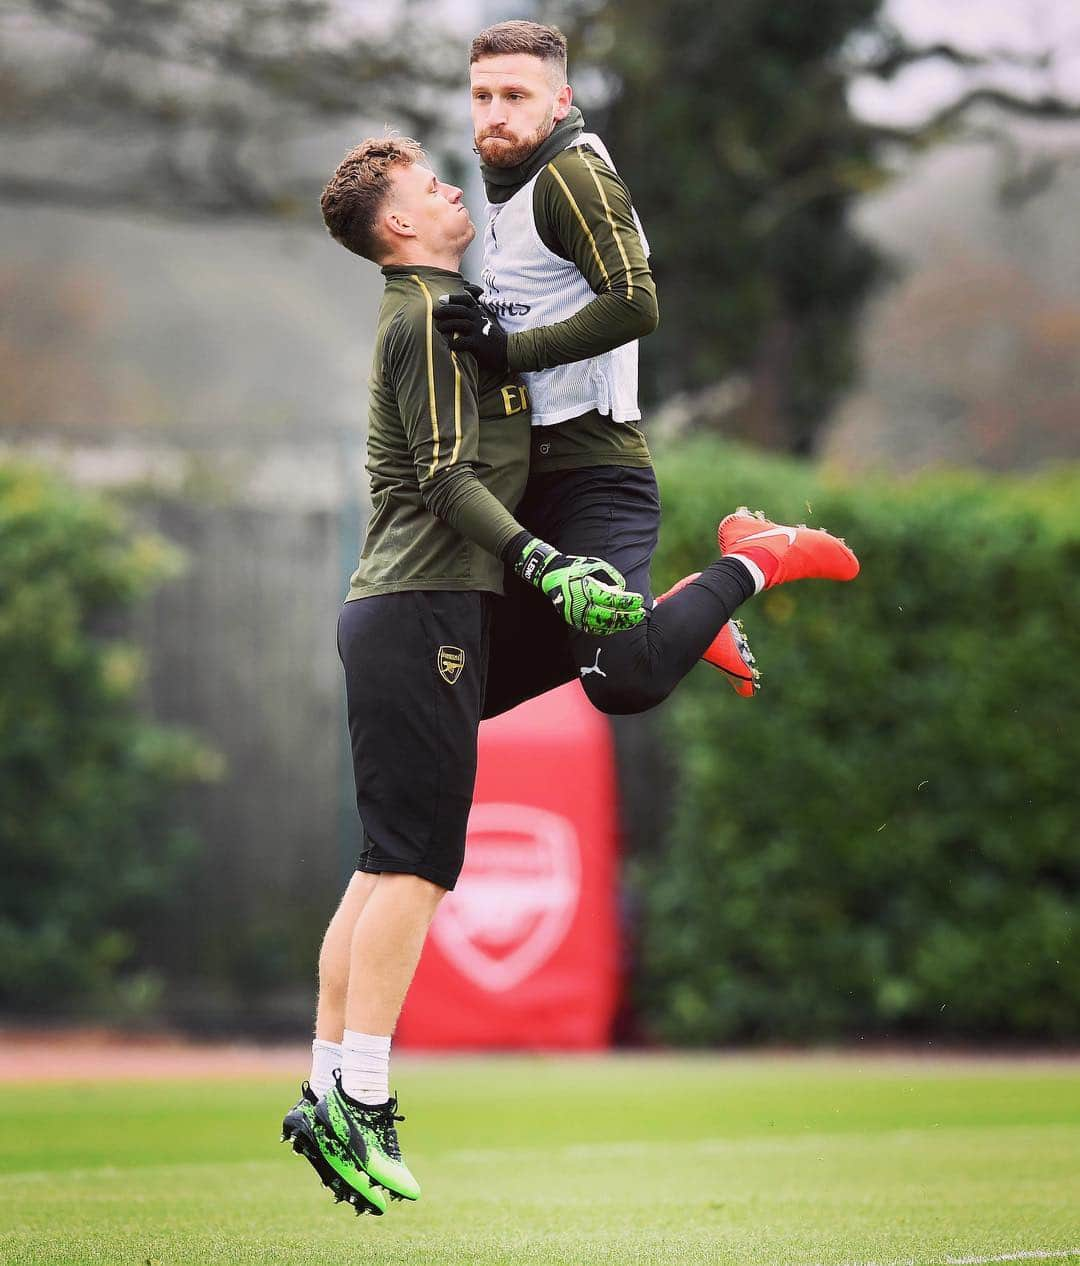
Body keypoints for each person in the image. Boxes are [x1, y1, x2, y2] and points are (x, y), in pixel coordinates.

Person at [279, 136, 646, 1217]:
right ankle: (365, 1098)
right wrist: (541, 557)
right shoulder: (428, 317)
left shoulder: (443, 311)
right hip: (420, 611)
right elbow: (444, 474)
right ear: (398, 227)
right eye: (432, 186)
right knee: (418, 870)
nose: (453, 190)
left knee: (386, 864)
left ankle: (325, 1086)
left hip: (399, 614)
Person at [435, 20, 857, 717]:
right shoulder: (505, 181)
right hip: (523, 474)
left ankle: (756, 557)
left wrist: (508, 350)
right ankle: (671, 618)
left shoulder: (574, 176)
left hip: (593, 474)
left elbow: (636, 304)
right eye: (482, 96)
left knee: (625, 682)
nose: (496, 112)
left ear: (561, 99)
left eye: (516, 93)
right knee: (468, 687)